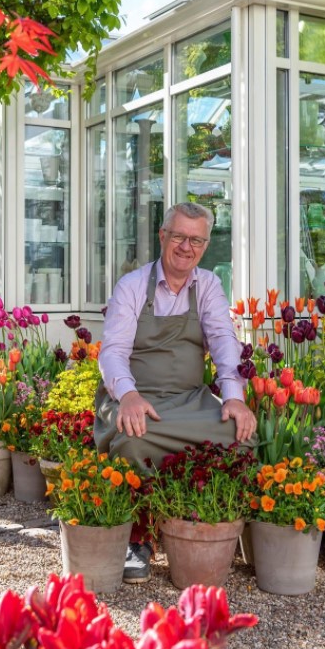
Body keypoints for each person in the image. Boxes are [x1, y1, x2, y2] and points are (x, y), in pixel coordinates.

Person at [95, 202, 257, 584]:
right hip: (136, 398)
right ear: (163, 236)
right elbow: (113, 352)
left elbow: (222, 340)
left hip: (189, 399)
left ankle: (204, 523)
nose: (187, 247)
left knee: (241, 438)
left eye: (197, 240)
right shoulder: (133, 285)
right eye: (180, 236)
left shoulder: (208, 285)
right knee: (134, 441)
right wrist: (129, 396)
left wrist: (233, 397)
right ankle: (139, 539)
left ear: (205, 244)